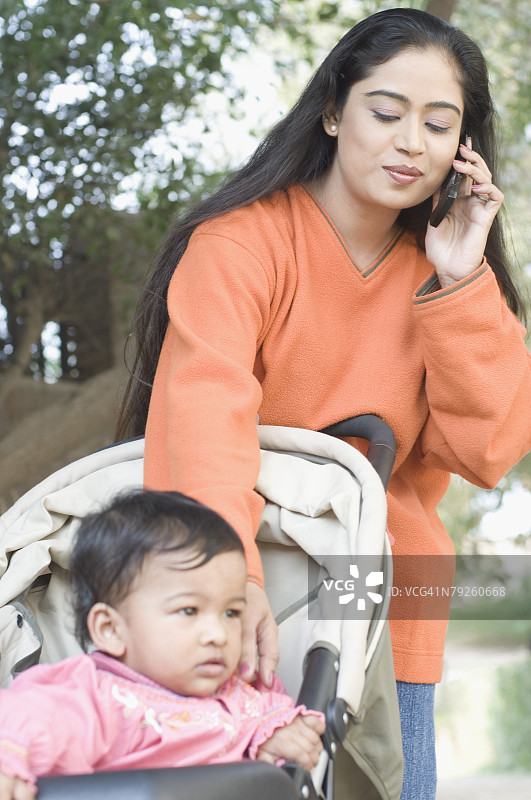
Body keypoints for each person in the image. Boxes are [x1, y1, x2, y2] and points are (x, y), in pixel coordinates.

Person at [115, 8, 531, 799]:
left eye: (437, 124)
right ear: (334, 112)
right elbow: (204, 424)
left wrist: (460, 280)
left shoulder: (442, 271)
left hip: (385, 591)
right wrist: (228, 588)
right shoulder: (239, 246)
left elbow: (489, 449)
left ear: (461, 148)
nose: (410, 143)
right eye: (386, 112)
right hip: (245, 580)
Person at [0, 490, 325, 800]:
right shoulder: (98, 698)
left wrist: (277, 733)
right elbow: (30, 713)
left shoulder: (243, 691)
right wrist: (7, 757)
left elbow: (273, 713)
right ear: (111, 629)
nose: (219, 634)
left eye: (231, 613)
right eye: (189, 611)